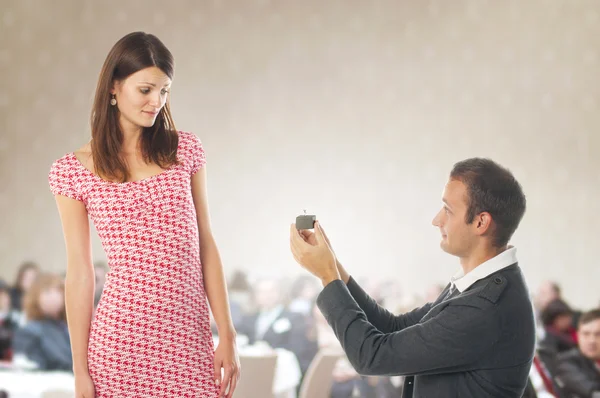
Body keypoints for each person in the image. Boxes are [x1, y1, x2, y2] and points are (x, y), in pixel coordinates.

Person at [48, 31, 239, 398]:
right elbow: (80, 273)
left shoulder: (184, 150)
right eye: (146, 90)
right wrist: (80, 370)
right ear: (114, 89)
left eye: (164, 91)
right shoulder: (72, 171)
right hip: (118, 346)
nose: (156, 102)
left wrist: (227, 334)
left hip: (189, 341)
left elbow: (205, 243)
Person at [290, 158, 536, 397]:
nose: (436, 220)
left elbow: (372, 356)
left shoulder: (485, 306)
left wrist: (327, 275)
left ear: (481, 222)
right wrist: (334, 267)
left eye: (448, 211)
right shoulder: (478, 287)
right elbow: (392, 328)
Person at [12, 273, 72, 371]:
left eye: (58, 291)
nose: (54, 296)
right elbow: (31, 368)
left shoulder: (66, 329)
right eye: (48, 292)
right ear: (35, 297)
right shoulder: (29, 331)